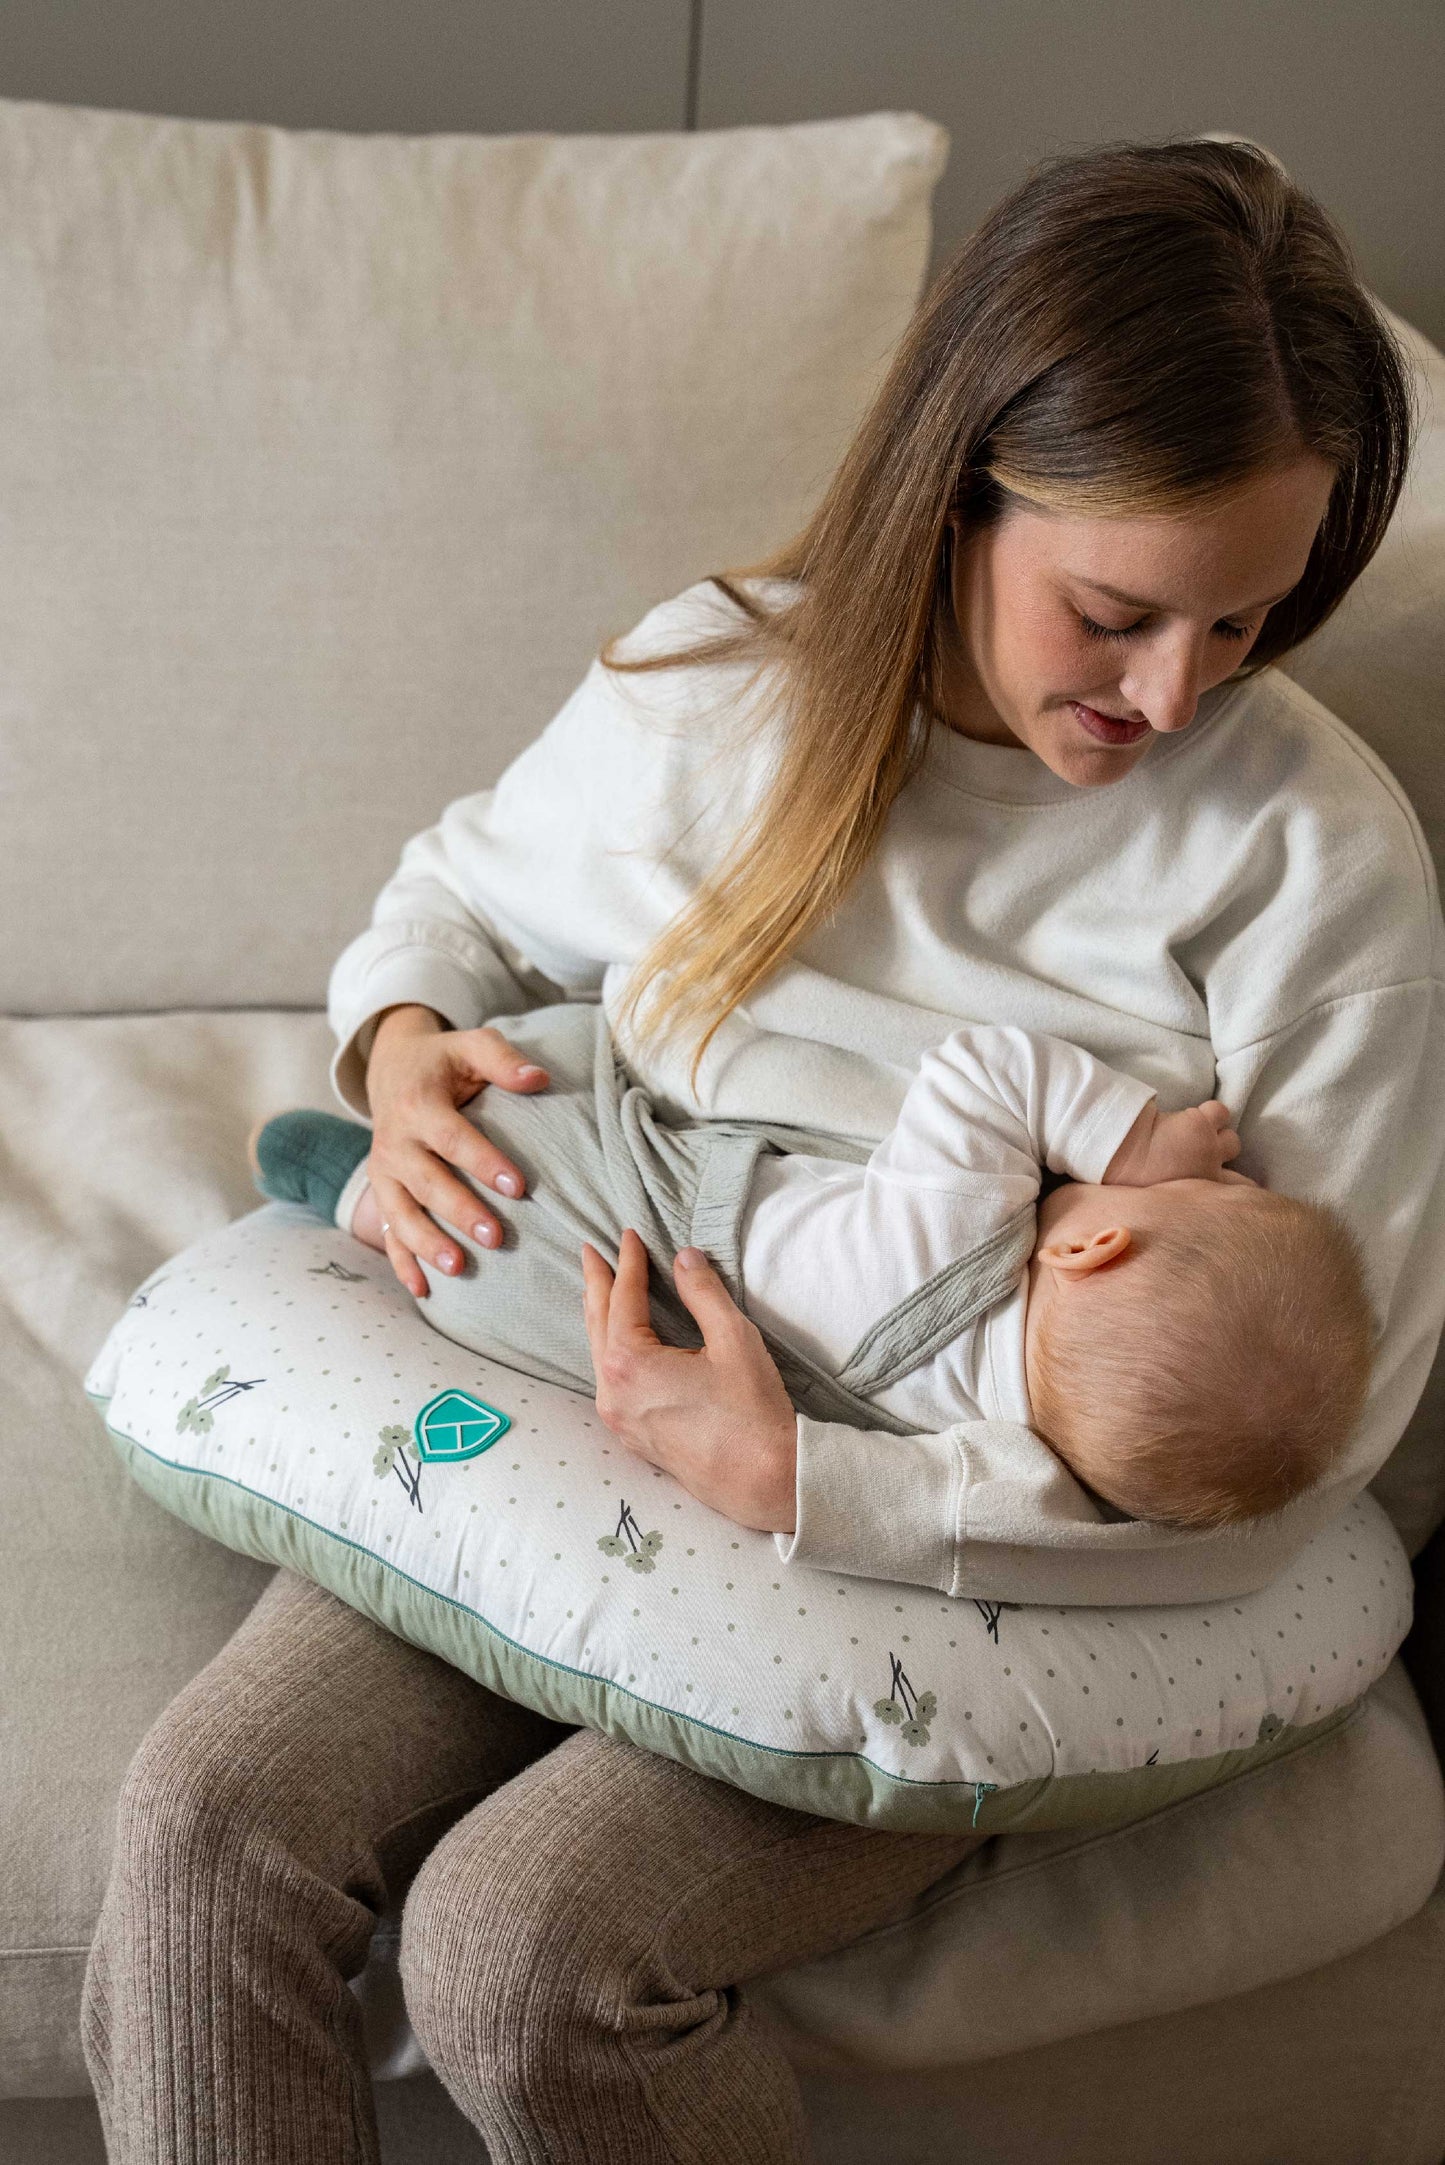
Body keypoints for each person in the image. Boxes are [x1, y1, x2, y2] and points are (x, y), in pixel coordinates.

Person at [83, 139, 1445, 2165]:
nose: (1171, 695)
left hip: (950, 1558)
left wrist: (813, 1485)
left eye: (1243, 620)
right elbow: (452, 904)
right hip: (585, 1394)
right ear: (962, 488)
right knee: (209, 1827)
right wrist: (401, 1053)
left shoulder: (1305, 866)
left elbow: (1295, 1434)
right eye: (1113, 613)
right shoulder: (722, 692)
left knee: (526, 1944)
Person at [249, 1012, 1373, 1531]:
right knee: (516, 1273)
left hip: (605, 1178)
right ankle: (360, 1202)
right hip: (543, 1323)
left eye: (1211, 1190)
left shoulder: (960, 1223)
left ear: (1090, 1244)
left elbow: (988, 1066)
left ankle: (353, 1175)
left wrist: (1136, 1143)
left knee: (545, 1124)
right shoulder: (989, 1453)